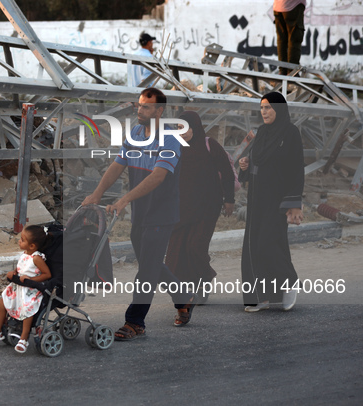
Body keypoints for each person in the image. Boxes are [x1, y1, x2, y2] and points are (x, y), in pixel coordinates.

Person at [82, 88, 196, 341]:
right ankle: (183, 295)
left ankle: (135, 322)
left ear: (159, 111)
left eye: (145, 107)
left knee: (146, 271)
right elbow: (118, 164)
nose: (139, 110)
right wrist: (98, 193)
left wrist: (123, 200)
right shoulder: (135, 132)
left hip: (162, 212)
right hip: (141, 212)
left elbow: (159, 175)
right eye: (139, 105)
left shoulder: (170, 138)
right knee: (150, 264)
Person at [239, 91, 304, 312]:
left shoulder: (291, 132)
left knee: (267, 243)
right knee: (252, 248)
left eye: (269, 107)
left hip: (277, 199)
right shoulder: (261, 133)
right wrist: (245, 165)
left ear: (280, 109)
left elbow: (296, 169)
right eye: (262, 107)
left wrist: (294, 204)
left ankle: (290, 280)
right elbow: (257, 161)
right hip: (256, 198)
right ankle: (261, 298)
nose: (264, 112)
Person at [165, 111, 236, 305]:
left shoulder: (209, 144)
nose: (183, 132)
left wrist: (229, 199)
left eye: (186, 128)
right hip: (181, 208)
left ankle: (204, 281)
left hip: (207, 207)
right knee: (176, 251)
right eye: (179, 128)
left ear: (195, 127)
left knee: (195, 247)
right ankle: (185, 290)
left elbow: (227, 172)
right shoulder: (174, 146)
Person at [0, 225, 52, 354]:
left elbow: (47, 275)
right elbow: (21, 267)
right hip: (18, 288)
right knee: (2, 303)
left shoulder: (37, 258)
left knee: (27, 309)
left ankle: (24, 338)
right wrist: (13, 272)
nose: (19, 241)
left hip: (30, 290)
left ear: (32, 246)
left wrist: (30, 280)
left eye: (22, 239)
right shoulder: (25, 254)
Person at [273, 0, 306, 75]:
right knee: (294, 38)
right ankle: (292, 72)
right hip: (293, 6)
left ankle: (282, 71)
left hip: (278, 6)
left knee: (281, 39)